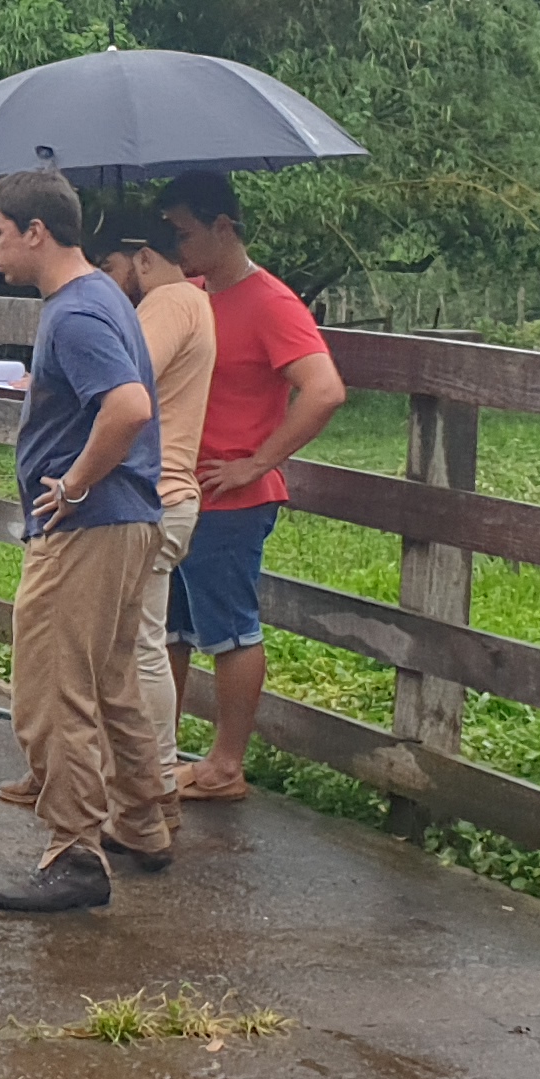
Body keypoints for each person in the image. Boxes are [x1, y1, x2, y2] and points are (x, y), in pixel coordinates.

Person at [0, 167, 174, 915]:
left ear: (36, 231)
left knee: (53, 688)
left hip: (88, 525)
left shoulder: (75, 313)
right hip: (129, 520)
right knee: (111, 680)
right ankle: (142, 822)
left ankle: (74, 851)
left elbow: (126, 407)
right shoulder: (102, 297)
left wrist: (74, 484)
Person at [157, 171, 347, 803]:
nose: (177, 246)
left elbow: (324, 390)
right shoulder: (187, 295)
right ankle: (157, 753)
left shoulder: (271, 303)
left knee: (231, 630)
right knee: (169, 628)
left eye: (184, 232)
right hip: (178, 490)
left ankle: (225, 765)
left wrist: (256, 463)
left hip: (230, 499)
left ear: (223, 227)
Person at [109, 225, 218, 769]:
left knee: (139, 649)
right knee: (138, 645)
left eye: (110, 269)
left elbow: (123, 382)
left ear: (144, 258)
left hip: (154, 494)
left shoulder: (168, 302)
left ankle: (155, 777)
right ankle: (147, 777)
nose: (106, 283)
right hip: (164, 493)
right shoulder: (191, 301)